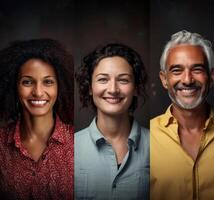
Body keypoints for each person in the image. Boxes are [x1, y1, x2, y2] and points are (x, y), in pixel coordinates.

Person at [150, 30, 214, 200]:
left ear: (212, 77)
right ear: (164, 79)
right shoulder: (146, 135)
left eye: (197, 69)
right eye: (177, 70)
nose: (187, 80)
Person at [0, 39, 74, 199]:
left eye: (48, 82)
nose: (38, 92)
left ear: (59, 87)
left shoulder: (79, 144)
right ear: (14, 86)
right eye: (27, 82)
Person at [75, 43, 149, 200]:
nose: (113, 89)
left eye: (123, 80)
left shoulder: (158, 145)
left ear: (135, 88)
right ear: (90, 87)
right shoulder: (69, 149)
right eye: (103, 79)